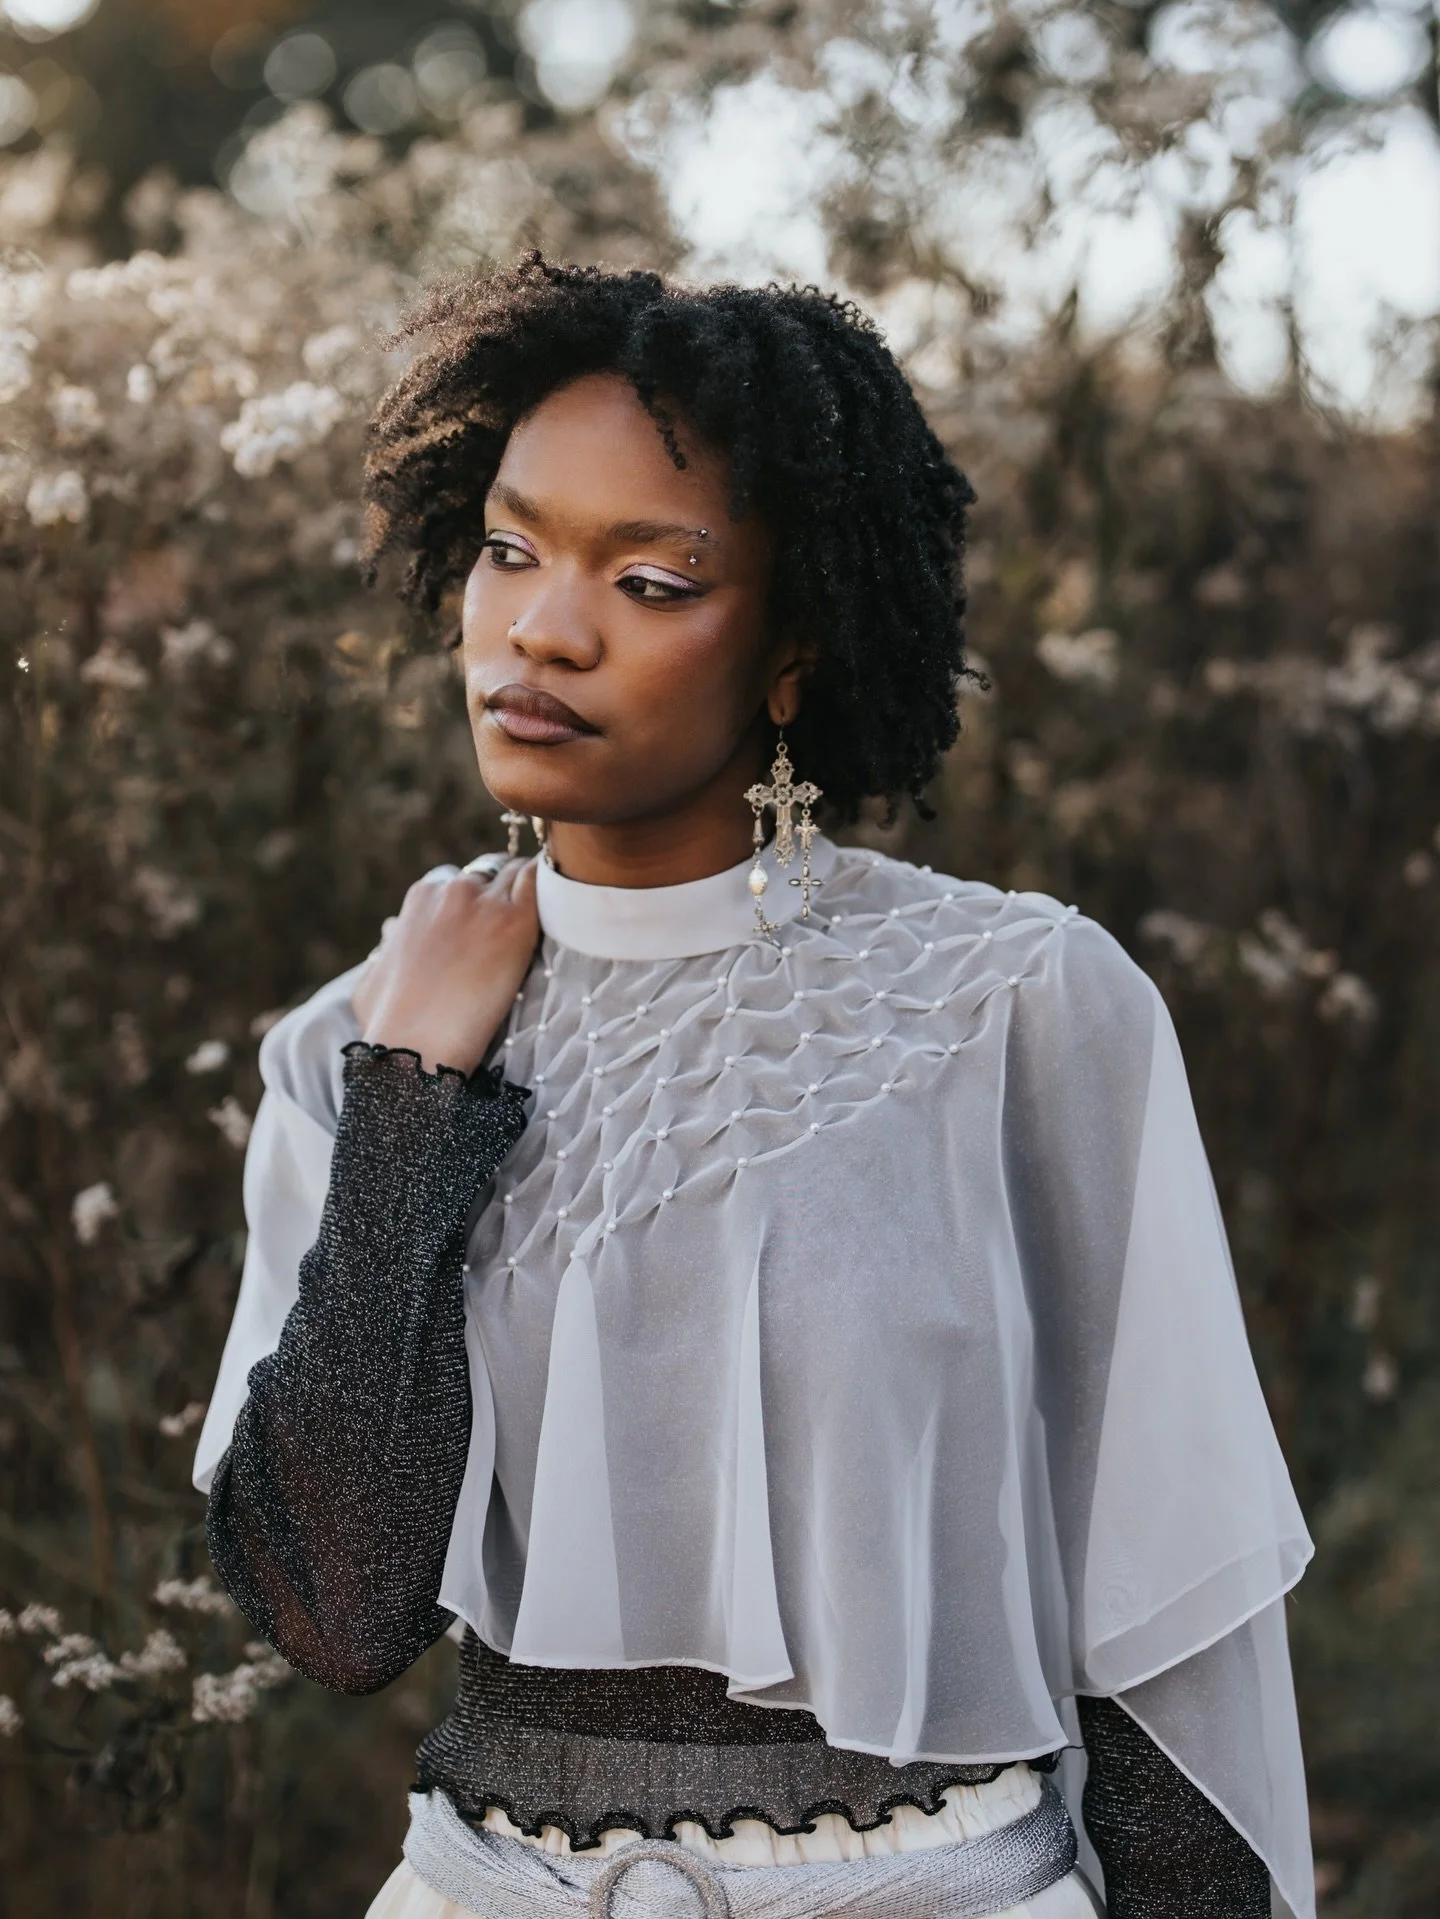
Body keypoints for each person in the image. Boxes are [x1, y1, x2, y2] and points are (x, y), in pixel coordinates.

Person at [193, 255, 1316, 1919]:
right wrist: (412, 1092)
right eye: (509, 549)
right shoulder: (356, 1046)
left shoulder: (1021, 1005)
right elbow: (342, 1613)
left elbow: (1163, 1618)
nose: (542, 626)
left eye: (651, 580)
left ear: (795, 644)